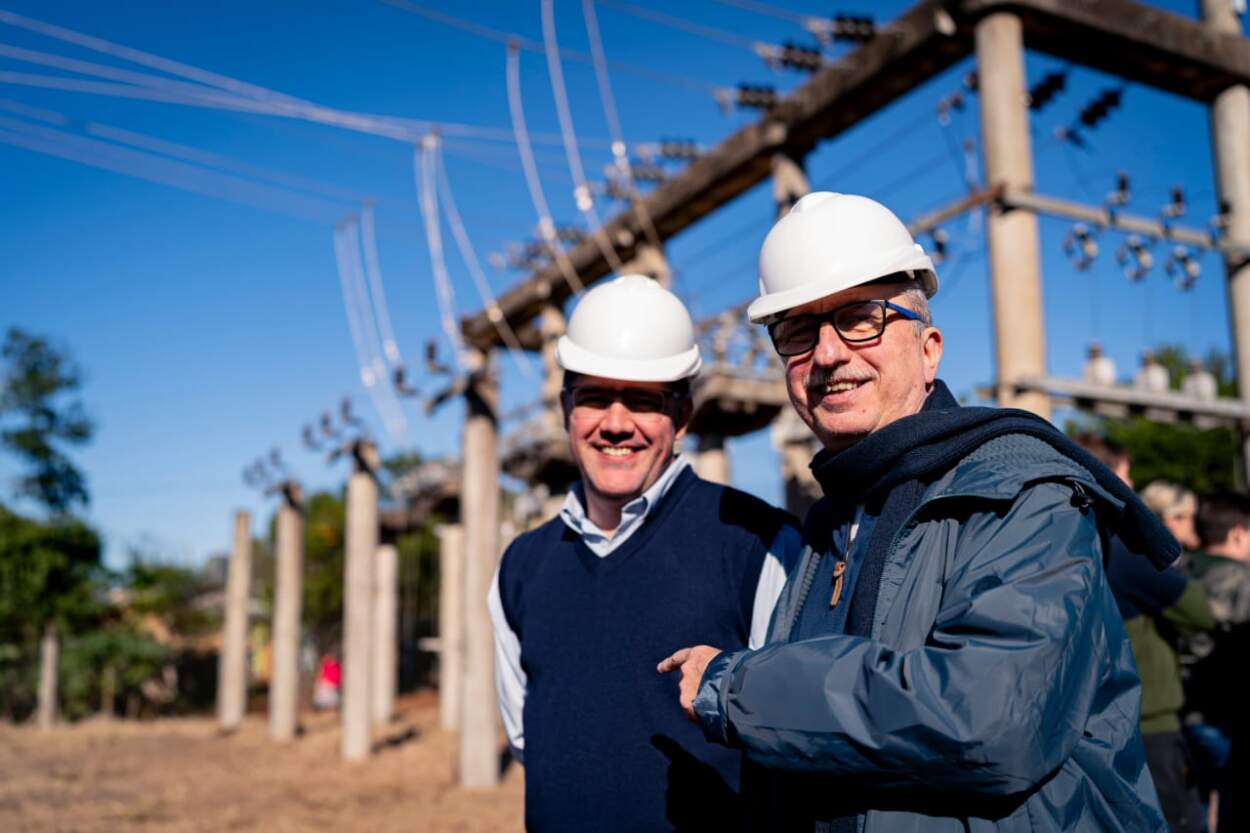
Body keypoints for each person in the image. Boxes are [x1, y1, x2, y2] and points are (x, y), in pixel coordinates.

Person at [659, 192, 1169, 831]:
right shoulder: (831, 522)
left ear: (929, 349)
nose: (828, 355)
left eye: (860, 318)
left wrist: (736, 687)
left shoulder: (1021, 492)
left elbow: (991, 719)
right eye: (797, 330)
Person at [489, 274, 802, 832]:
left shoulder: (759, 545)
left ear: (681, 418)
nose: (615, 424)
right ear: (566, 411)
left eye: (641, 401)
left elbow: (795, 746)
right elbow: (526, 740)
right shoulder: (521, 568)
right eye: (593, 399)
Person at [1076, 437, 1214, 833]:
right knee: (1178, 820)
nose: (1131, 484)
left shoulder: (1067, 536)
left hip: (1088, 721)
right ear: (1105, 476)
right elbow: (1199, 611)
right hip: (1149, 722)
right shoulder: (1123, 549)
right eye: (1125, 475)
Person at [1185, 491, 1250, 832]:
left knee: (1190, 811)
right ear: (1238, 532)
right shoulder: (1243, 580)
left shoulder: (1179, 571)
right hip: (1226, 717)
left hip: (1178, 715)